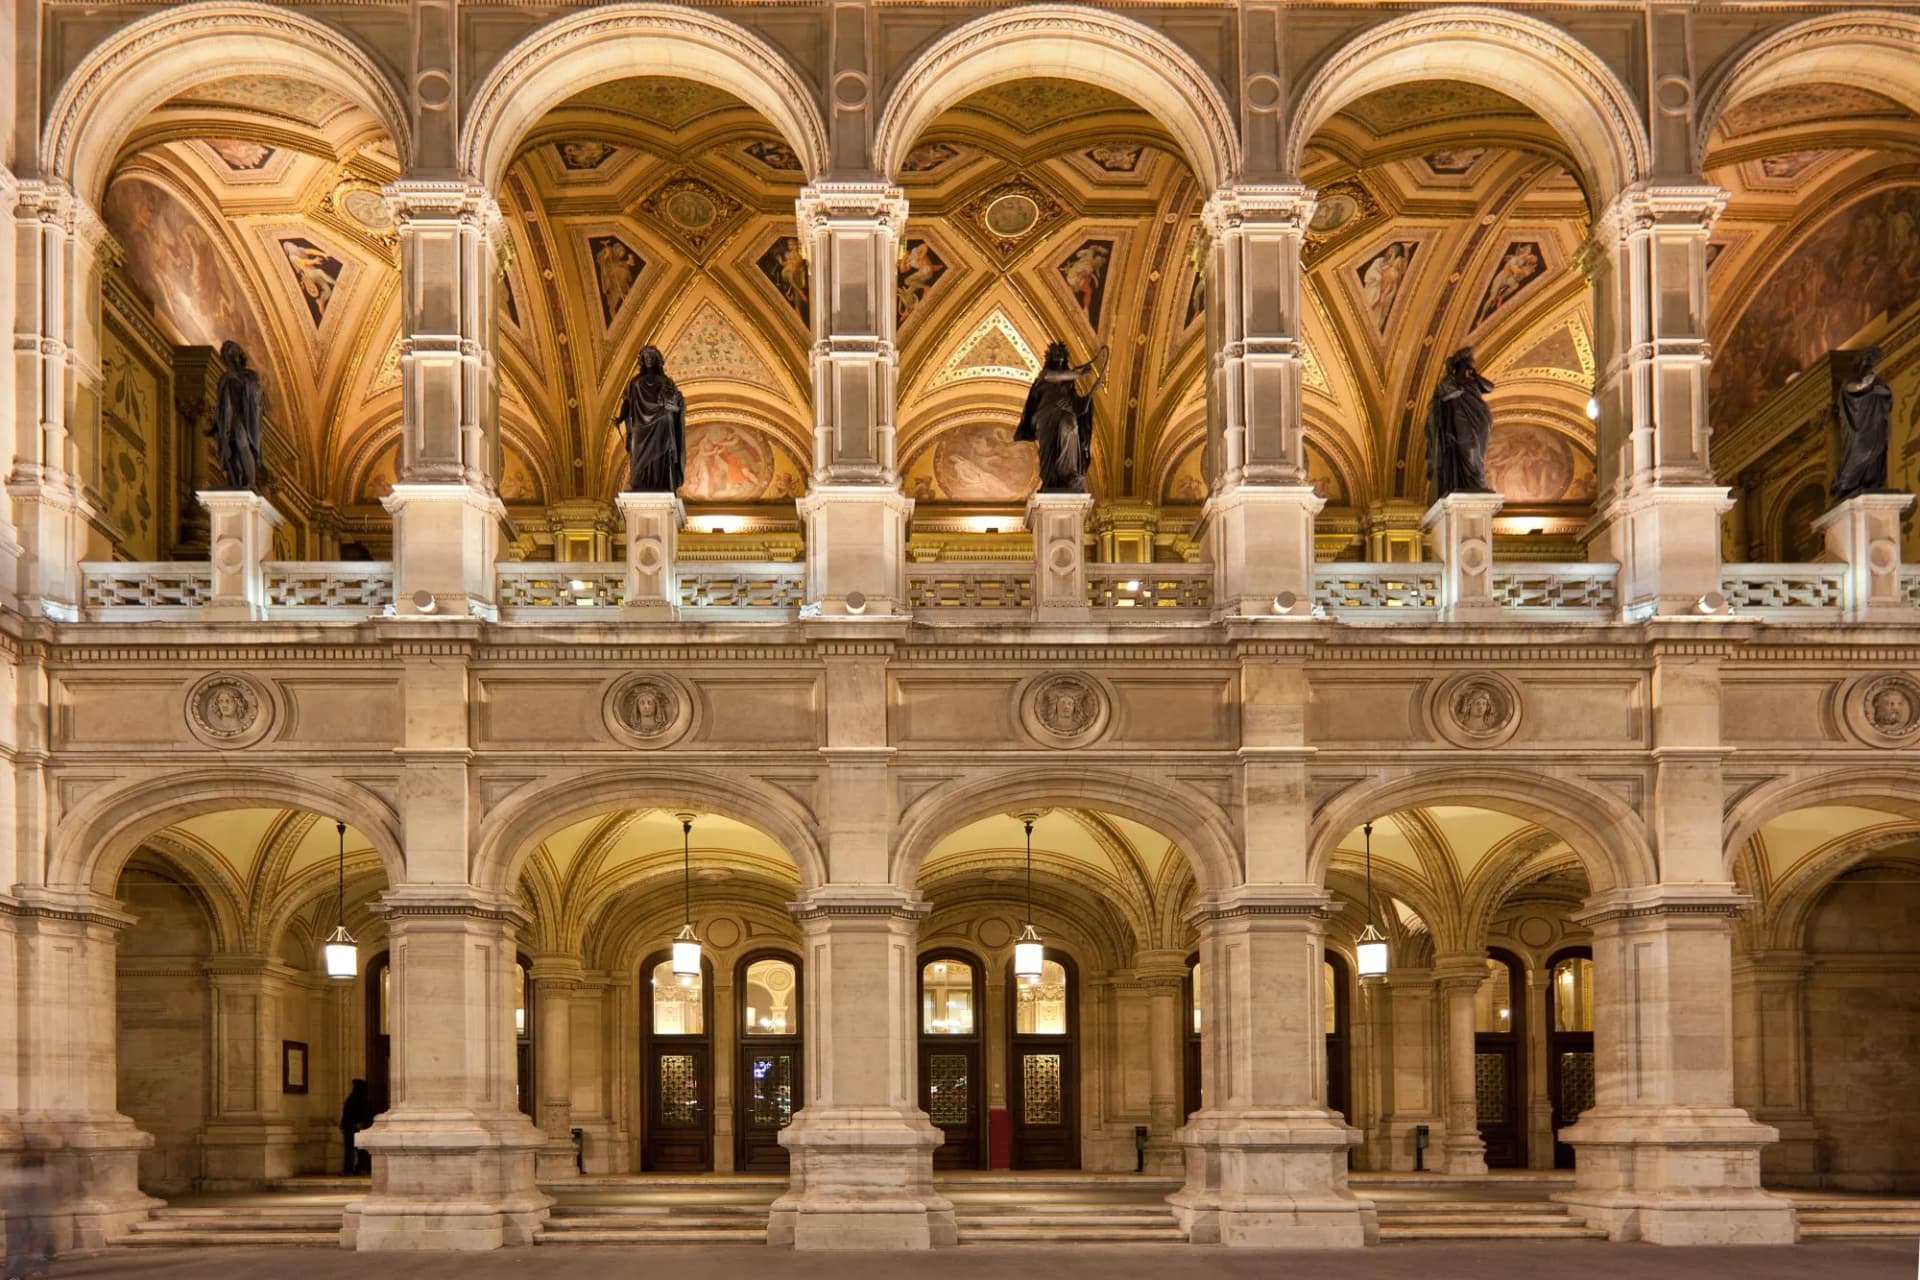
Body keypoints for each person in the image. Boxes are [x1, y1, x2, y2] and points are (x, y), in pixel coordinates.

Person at [1014, 342, 1105, 493]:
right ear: (1050, 357)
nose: (1059, 357)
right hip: (1045, 417)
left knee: (1071, 426)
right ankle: (1050, 479)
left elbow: (1078, 405)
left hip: (1065, 414)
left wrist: (1091, 392)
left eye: (1062, 354)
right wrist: (1079, 374)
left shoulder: (1069, 383)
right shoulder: (1045, 374)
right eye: (1056, 353)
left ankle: (1069, 474)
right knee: (1049, 450)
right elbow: (1053, 377)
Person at [613, 345, 687, 494]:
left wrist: (676, 404)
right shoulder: (635, 382)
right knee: (639, 455)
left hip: (662, 422)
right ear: (642, 361)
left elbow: (675, 402)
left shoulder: (665, 381)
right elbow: (628, 401)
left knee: (660, 455)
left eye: (651, 358)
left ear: (656, 361)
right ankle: (641, 483)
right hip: (640, 424)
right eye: (645, 358)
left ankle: (659, 483)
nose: (648, 360)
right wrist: (620, 418)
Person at [1424, 347, 1496, 501]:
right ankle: (1473, 485)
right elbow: (1436, 405)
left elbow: (1490, 387)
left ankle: (1476, 485)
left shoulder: (1473, 382)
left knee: (1477, 456)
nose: (1470, 364)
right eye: (1468, 361)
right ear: (1459, 364)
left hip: (1479, 421)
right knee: (1468, 451)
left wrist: (1476, 376)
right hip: (1459, 421)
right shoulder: (1449, 382)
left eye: (1470, 362)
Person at [1831, 346, 1894, 501]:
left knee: (1877, 450)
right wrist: (1869, 385)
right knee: (1860, 451)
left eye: (1871, 362)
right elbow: (1853, 390)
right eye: (1866, 362)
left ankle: (1872, 482)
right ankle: (1845, 484)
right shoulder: (1850, 381)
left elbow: (1887, 396)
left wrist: (1877, 389)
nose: (1869, 365)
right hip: (1858, 426)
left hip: (1876, 423)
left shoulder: (1877, 380)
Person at [210, 340, 264, 490]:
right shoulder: (225, 378)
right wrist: (216, 423)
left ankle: (250, 482)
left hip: (244, 418)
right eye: (225, 353)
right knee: (231, 452)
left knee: (243, 444)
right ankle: (236, 483)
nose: (228, 355)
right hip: (229, 420)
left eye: (230, 351)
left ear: (238, 355)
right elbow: (220, 404)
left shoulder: (249, 376)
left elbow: (256, 396)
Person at [341, 1078, 375, 1175]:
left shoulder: (359, 1099)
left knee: (357, 1150)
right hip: (352, 1127)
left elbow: (364, 1114)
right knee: (354, 1150)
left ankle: (357, 1168)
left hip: (356, 1128)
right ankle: (354, 1168)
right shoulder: (358, 1099)